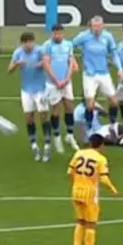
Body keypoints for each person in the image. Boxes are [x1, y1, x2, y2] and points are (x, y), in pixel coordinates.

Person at [68, 133, 119, 245]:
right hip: (90, 194)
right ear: (101, 145)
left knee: (80, 222)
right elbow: (103, 178)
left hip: (76, 191)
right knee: (91, 225)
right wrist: (112, 189)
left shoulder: (78, 153)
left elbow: (69, 172)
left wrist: (76, 182)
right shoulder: (100, 159)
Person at [73, 16, 123, 133]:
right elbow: (70, 46)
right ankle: (89, 127)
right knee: (90, 104)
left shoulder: (107, 36)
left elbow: (114, 53)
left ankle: (112, 124)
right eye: (94, 26)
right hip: (89, 75)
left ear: (103, 26)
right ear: (90, 26)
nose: (97, 29)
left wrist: (120, 68)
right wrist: (74, 60)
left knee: (113, 101)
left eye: (99, 26)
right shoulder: (83, 36)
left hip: (104, 74)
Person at [9, 32, 51, 162]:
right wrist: (16, 64)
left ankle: (47, 145)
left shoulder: (39, 50)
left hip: (41, 90)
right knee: (29, 117)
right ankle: (34, 145)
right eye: (27, 42)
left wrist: (42, 64)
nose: (29, 44)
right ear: (23, 43)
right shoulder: (18, 53)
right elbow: (9, 69)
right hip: (26, 91)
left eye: (31, 42)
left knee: (43, 115)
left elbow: (47, 60)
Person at [41, 24, 79, 154]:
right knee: (56, 109)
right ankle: (57, 137)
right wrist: (56, 80)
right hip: (53, 83)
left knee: (69, 107)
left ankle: (69, 135)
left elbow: (71, 63)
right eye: (55, 33)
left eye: (60, 33)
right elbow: (46, 64)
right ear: (52, 33)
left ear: (63, 33)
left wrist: (68, 78)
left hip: (66, 82)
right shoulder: (47, 45)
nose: (57, 35)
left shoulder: (68, 44)